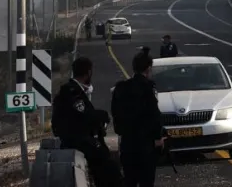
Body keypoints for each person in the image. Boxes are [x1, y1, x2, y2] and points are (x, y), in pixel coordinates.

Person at [50, 56, 123, 186]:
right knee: (109, 168)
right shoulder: (73, 92)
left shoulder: (70, 90)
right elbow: (84, 115)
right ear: (88, 72)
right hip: (79, 141)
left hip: (76, 139)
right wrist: (102, 115)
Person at [111, 47, 164, 187]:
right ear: (148, 69)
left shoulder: (121, 88)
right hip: (145, 146)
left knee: (129, 180)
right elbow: (154, 115)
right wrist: (158, 137)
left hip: (127, 145)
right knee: (146, 181)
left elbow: (115, 113)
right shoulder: (148, 88)